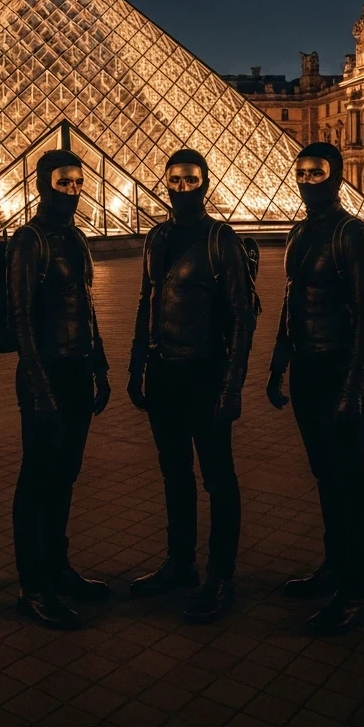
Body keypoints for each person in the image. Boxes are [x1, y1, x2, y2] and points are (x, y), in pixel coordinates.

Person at [128, 149, 255, 623]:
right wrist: (136, 366)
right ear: (165, 183)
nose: (182, 187)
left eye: (191, 179)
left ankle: (221, 577)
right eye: (175, 180)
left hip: (206, 371)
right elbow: (146, 302)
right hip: (163, 373)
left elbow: (243, 317)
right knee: (174, 475)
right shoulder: (157, 236)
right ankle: (180, 564)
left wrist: (233, 385)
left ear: (205, 182)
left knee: (218, 479)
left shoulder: (221, 238)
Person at [266, 142, 364, 635]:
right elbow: (292, 302)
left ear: (336, 176)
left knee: (350, 480)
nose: (307, 178)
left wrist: (353, 389)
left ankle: (355, 591)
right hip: (307, 368)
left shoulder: (351, 233)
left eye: (318, 171)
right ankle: (334, 567)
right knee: (325, 474)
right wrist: (277, 364)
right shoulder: (301, 231)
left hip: (340, 369)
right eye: (302, 171)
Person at [7, 149, 111, 629]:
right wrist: (38, 384)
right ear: (42, 184)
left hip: (76, 370)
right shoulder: (29, 240)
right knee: (38, 480)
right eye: (62, 182)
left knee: (65, 476)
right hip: (45, 372)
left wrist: (102, 367)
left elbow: (86, 307)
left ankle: (59, 567)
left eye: (77, 182)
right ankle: (34, 584)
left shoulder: (74, 236)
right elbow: (22, 318)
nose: (71, 190)